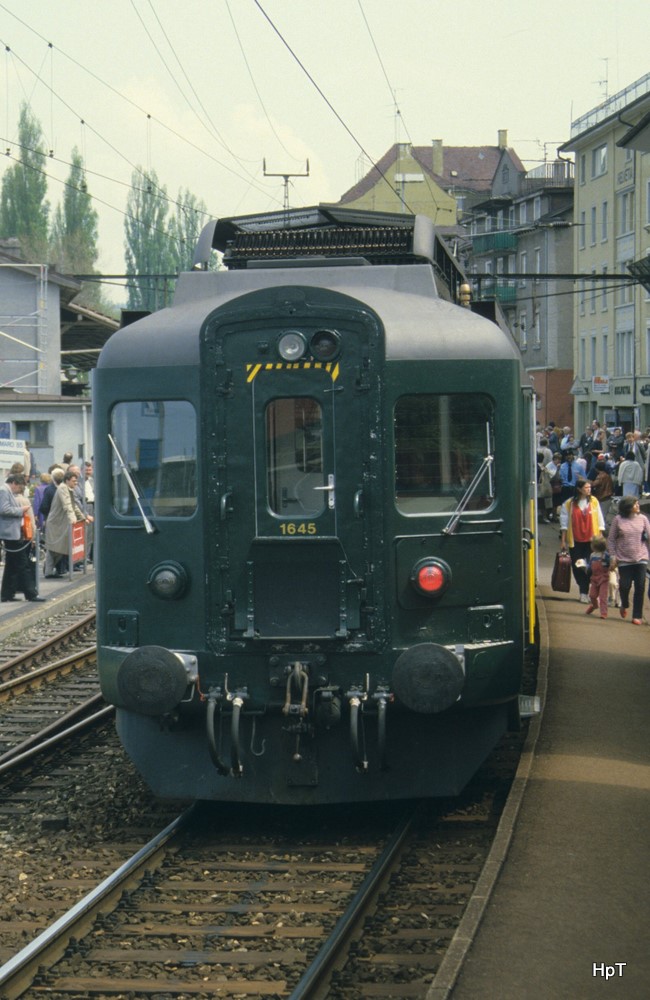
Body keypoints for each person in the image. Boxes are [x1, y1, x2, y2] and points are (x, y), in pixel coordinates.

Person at [0, 474, 45, 602]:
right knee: (22, 563)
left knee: (12, 565)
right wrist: (21, 510)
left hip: (12, 532)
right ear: (14, 483)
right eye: (19, 488)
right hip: (10, 533)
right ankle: (31, 594)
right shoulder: (4, 491)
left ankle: (6, 594)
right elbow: (4, 509)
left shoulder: (7, 491)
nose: (19, 491)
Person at [559, 478, 605, 603]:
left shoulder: (594, 501)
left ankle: (592, 590)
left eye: (590, 487)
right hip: (576, 541)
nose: (589, 490)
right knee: (579, 566)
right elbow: (564, 525)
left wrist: (600, 537)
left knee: (592, 566)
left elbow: (600, 520)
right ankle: (583, 591)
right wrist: (563, 541)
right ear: (579, 489)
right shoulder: (569, 504)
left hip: (592, 541)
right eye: (586, 488)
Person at [607, 496, 650, 625]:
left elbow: (649, 538)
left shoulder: (643, 519)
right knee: (624, 586)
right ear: (628, 507)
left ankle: (637, 615)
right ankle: (624, 603)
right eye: (635, 504)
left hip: (641, 558)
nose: (638, 506)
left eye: (638, 504)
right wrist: (613, 556)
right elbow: (611, 539)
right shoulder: (618, 519)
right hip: (624, 559)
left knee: (640, 587)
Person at [44, 469, 92, 578]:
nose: (76, 483)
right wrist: (73, 519)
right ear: (67, 480)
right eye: (74, 481)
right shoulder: (63, 489)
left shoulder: (67, 488)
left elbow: (74, 505)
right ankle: (48, 571)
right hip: (56, 524)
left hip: (60, 523)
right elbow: (68, 506)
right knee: (54, 549)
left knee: (58, 549)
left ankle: (49, 570)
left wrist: (83, 518)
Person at [584, 535, 610, 619]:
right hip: (594, 578)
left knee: (603, 596)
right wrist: (586, 567)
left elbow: (610, 564)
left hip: (604, 578)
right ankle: (594, 605)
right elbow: (590, 565)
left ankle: (603, 612)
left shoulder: (605, 555)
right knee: (592, 595)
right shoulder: (592, 555)